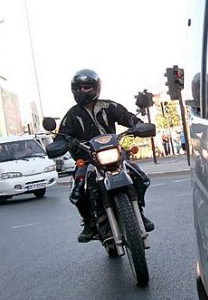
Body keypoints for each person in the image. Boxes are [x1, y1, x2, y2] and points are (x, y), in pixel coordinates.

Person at [52, 69, 155, 243]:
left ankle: (140, 212)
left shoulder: (109, 106)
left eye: (86, 87)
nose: (82, 91)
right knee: (77, 191)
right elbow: (61, 135)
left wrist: (137, 124)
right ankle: (90, 223)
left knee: (140, 177)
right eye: (78, 87)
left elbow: (126, 116)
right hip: (87, 159)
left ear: (95, 87)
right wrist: (61, 143)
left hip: (113, 154)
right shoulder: (71, 115)